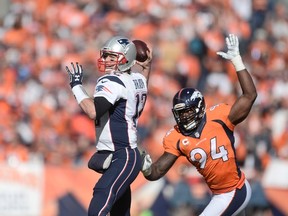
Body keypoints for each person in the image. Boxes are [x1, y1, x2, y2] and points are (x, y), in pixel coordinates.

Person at [141, 34, 257, 216]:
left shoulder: (219, 116)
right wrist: (147, 168)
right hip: (218, 194)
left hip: (235, 189)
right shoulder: (176, 136)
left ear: (199, 108)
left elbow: (250, 96)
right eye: (180, 114)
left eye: (187, 112)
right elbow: (156, 172)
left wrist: (237, 61)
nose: (184, 118)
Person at [65, 35, 152, 216]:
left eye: (111, 57)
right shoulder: (137, 80)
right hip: (124, 154)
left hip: (123, 155)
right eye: (105, 56)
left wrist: (76, 86)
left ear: (126, 59)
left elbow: (93, 111)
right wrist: (147, 64)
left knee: (101, 198)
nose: (105, 60)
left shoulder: (112, 81)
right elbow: (142, 78)